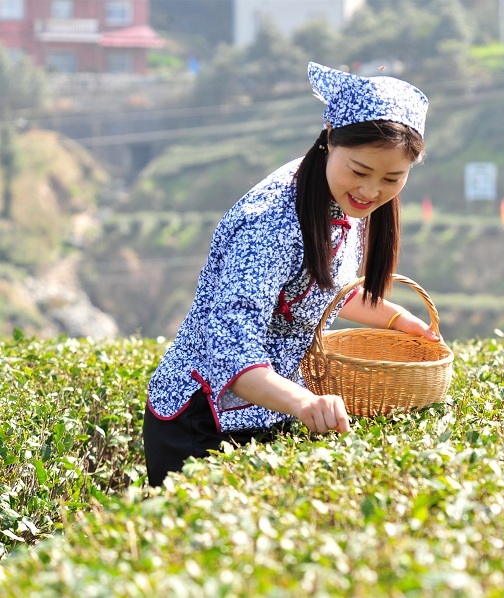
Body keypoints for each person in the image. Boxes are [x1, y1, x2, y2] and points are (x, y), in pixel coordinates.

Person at [142, 62, 439, 487]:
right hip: (201, 419)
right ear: (329, 141)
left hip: (272, 407)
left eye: (393, 177)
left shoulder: (341, 199)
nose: (372, 191)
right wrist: (304, 403)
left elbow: (319, 290)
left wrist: (400, 321)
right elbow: (232, 353)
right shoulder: (268, 223)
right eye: (359, 171)